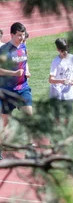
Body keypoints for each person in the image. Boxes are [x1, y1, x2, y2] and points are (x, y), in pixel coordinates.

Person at [0, 22, 32, 160]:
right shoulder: (4, 50)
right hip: (7, 91)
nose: (21, 37)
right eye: (19, 35)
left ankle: (30, 149)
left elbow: (25, 61)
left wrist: (27, 71)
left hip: (23, 88)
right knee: (4, 122)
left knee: (30, 117)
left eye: (23, 35)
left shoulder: (24, 46)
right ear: (12, 34)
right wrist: (13, 74)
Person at [49, 38, 73, 124]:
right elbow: (51, 80)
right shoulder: (56, 61)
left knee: (68, 114)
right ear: (58, 50)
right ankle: (57, 130)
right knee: (57, 116)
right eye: (62, 51)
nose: (65, 52)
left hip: (68, 91)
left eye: (66, 50)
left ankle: (66, 130)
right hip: (57, 91)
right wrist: (62, 81)